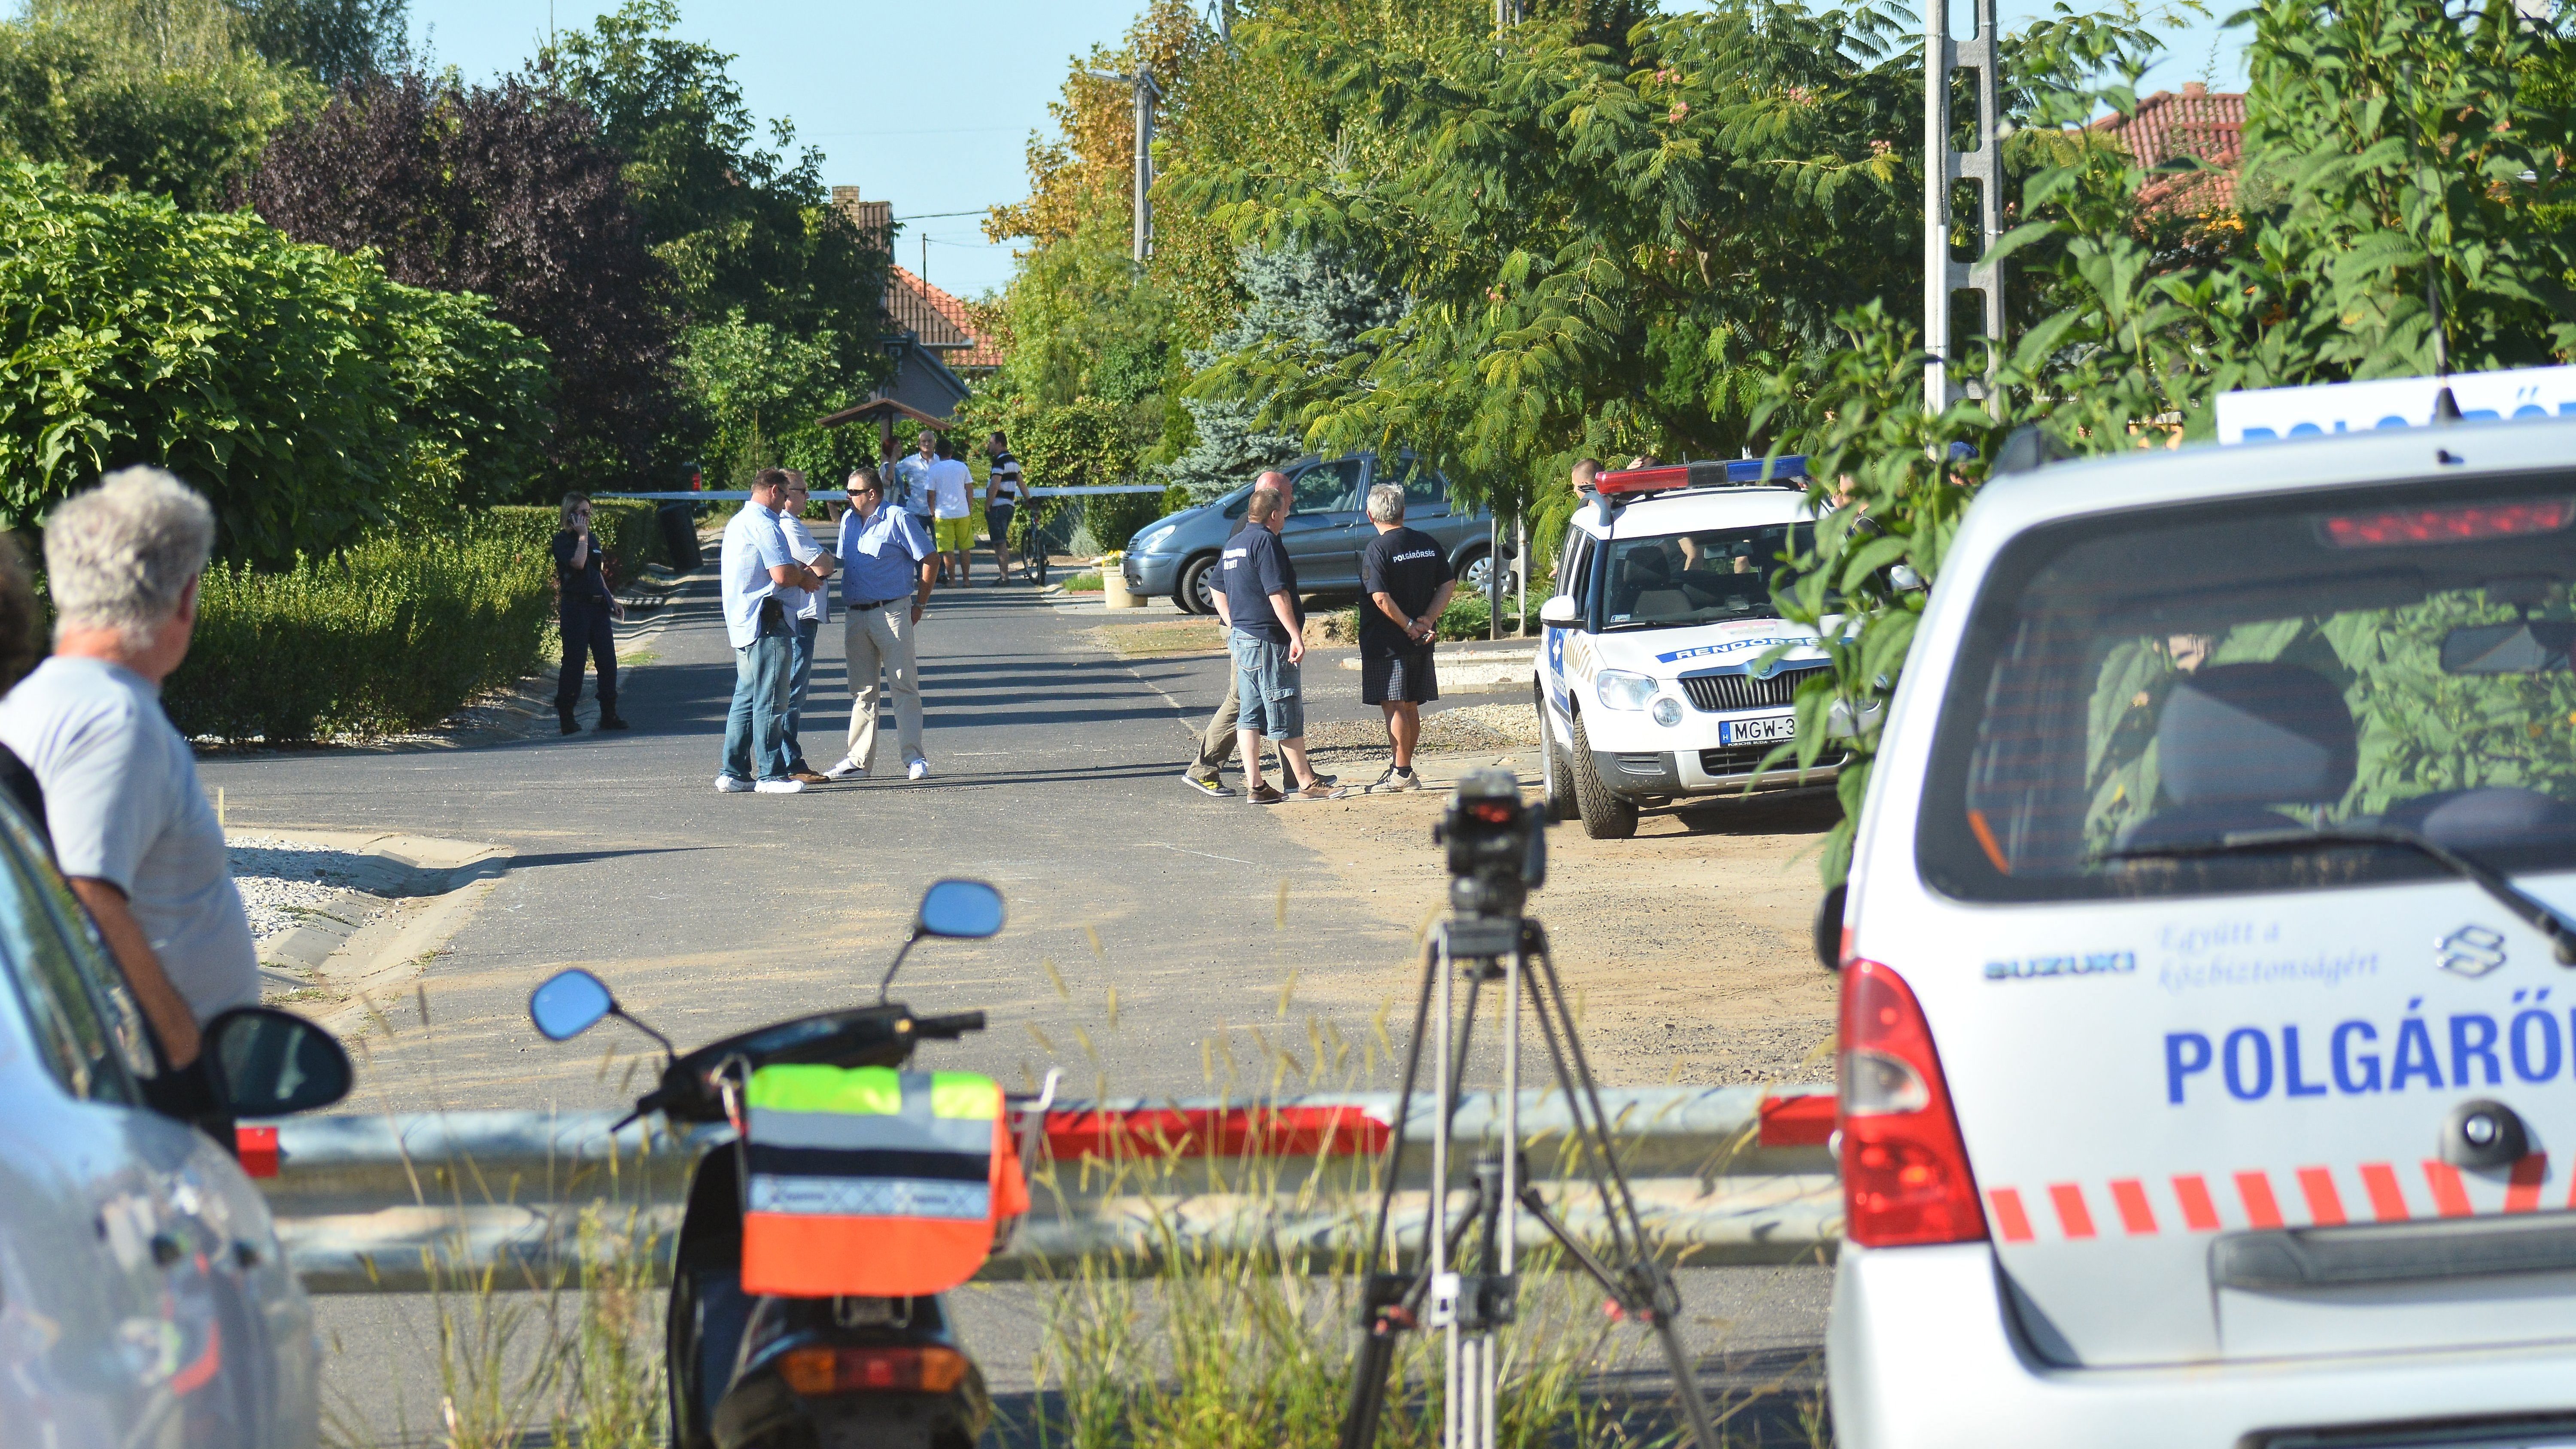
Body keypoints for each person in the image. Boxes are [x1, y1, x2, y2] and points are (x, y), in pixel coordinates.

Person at [0, 468, 254, 1072]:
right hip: (159, 1091)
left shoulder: (40, 699)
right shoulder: (115, 720)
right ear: (187, 595)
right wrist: (187, 1053)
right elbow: (87, 889)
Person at [1221, 486, 1343, 802]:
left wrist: (1234, 624)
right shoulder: (1266, 541)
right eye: (1284, 513)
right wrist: (1295, 634)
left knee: (1249, 715)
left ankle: (1256, 785)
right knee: (1284, 706)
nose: (1286, 518)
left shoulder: (1234, 544)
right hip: (1268, 640)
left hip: (1244, 639)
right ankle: (1306, 781)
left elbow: (1216, 587)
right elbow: (1278, 592)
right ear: (1274, 515)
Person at [827, 467, 938, 782]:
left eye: (853, 492)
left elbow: (929, 558)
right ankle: (859, 762)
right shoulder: (848, 522)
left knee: (904, 685)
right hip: (856, 615)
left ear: (872, 494)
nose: (847, 497)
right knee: (862, 690)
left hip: (891, 612)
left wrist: (920, 604)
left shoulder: (898, 518)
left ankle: (915, 758)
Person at [717, 468, 823, 795]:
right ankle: (771, 773)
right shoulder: (765, 523)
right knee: (773, 699)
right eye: (787, 494)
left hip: (744, 621)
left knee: (746, 697)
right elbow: (780, 574)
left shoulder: (738, 522)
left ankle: (733, 771)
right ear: (775, 491)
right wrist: (805, 577)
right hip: (768, 621)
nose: (788, 501)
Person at [1358, 483, 1458, 793]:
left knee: (1395, 706)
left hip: (1388, 643)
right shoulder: (1427, 542)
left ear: (1370, 514)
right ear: (1403, 511)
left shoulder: (1378, 549)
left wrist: (1409, 624)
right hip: (1420, 641)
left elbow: (1380, 598)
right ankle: (1404, 769)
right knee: (1411, 706)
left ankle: (1401, 772)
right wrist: (1427, 619)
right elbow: (1449, 583)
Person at [771, 473, 836, 784]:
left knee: (792, 690)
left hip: (802, 615)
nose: (808, 496)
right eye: (803, 491)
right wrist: (816, 566)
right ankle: (790, 761)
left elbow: (824, 562)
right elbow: (825, 566)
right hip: (800, 616)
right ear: (785, 494)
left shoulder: (791, 523)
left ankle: (785, 758)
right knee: (792, 692)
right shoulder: (789, 524)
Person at [552, 492, 629, 735]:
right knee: (574, 663)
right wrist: (582, 536)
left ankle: (609, 713)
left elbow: (596, 573)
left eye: (589, 513)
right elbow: (578, 563)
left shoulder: (591, 538)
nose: (586, 517)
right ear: (570, 513)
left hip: (597, 608)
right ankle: (567, 715)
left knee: (608, 661)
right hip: (576, 608)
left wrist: (611, 600)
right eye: (582, 513)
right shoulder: (563, 540)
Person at [930, 434, 978, 587]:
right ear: (952, 451)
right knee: (965, 547)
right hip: (963, 512)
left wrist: (932, 512)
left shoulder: (934, 469)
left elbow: (931, 494)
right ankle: (967, 579)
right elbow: (969, 489)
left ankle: (952, 580)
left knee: (947, 549)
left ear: (937, 452)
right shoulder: (962, 467)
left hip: (943, 514)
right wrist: (969, 507)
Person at [893, 430, 941, 577]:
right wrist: (903, 490)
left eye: (930, 441)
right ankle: (921, 574)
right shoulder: (910, 462)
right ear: (919, 444)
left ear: (935, 443)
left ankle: (939, 574)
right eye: (924, 441)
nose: (927, 444)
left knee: (939, 545)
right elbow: (893, 474)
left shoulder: (941, 462)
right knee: (918, 546)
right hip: (916, 510)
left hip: (937, 511)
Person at [984, 431, 1024, 584]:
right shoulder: (1013, 462)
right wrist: (1028, 499)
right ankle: (1003, 575)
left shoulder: (999, 462)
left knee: (1000, 543)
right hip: (1009, 505)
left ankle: (1005, 577)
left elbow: (995, 485)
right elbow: (1021, 482)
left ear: (999, 444)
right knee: (999, 541)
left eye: (991, 443)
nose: (989, 446)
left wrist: (988, 505)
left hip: (998, 507)